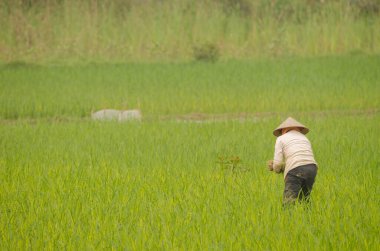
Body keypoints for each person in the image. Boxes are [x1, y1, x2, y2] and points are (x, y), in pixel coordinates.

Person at [267, 117, 318, 205]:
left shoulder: (281, 139)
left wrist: (274, 167)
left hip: (296, 169)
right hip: (312, 168)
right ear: (298, 129)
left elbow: (277, 164)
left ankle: (287, 218)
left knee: (289, 202)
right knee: (305, 199)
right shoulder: (305, 138)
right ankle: (307, 217)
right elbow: (302, 158)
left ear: (283, 130)